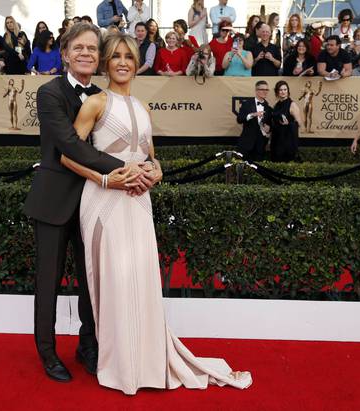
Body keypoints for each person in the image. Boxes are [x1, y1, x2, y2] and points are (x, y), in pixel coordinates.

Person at [61, 31, 251, 396]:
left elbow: (150, 155)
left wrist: (157, 171)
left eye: (128, 57)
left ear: (136, 63)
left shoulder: (144, 108)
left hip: (138, 199)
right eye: (115, 56)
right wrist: (106, 179)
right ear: (106, 62)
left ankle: (145, 360)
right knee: (114, 280)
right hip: (104, 200)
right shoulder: (95, 104)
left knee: (142, 278)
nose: (122, 62)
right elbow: (67, 155)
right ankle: (119, 364)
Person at [22, 23, 154, 383]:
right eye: (78, 48)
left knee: (92, 280)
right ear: (64, 53)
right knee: (47, 282)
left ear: (100, 58)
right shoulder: (49, 93)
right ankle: (47, 354)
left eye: (92, 49)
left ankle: (88, 346)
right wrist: (127, 169)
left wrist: (148, 168)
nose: (85, 54)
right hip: (54, 202)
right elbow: (70, 145)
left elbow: (136, 144)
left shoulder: (103, 97)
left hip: (96, 204)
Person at [236, 80, 272, 161]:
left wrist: (269, 128)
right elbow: (239, 119)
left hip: (260, 146)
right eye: (262, 89)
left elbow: (270, 125)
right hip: (246, 144)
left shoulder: (269, 108)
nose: (265, 92)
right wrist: (252, 115)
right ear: (256, 90)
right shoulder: (247, 104)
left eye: (266, 90)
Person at [270, 80, 302, 162]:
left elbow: (299, 123)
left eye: (285, 89)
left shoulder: (292, 105)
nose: (283, 92)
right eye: (280, 90)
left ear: (288, 91)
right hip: (276, 139)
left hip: (287, 141)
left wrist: (289, 124)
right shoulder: (276, 105)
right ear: (277, 92)